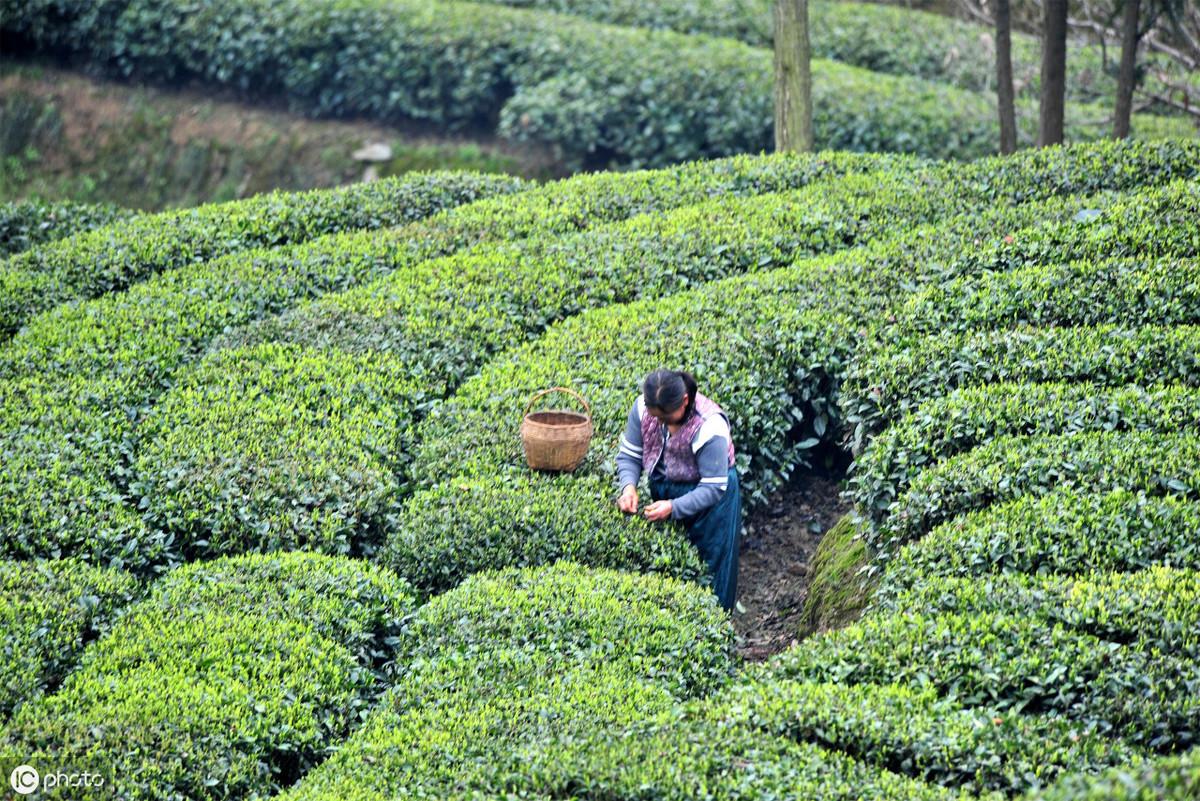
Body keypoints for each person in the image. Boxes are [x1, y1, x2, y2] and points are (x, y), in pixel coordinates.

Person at [614, 368, 742, 613]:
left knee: (711, 568)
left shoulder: (709, 424)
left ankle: (714, 628)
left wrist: (674, 507)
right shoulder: (642, 408)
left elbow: (713, 487)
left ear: (685, 401)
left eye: (667, 417)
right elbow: (631, 455)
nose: (661, 423)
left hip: (711, 504)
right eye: (656, 417)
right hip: (666, 493)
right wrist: (628, 486)